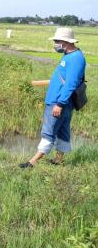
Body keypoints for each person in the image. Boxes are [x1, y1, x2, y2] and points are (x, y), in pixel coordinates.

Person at [19, 27, 86, 168]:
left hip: (59, 102)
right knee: (63, 131)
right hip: (62, 101)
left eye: (57, 41)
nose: (55, 43)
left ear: (66, 42)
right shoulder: (70, 55)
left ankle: (32, 162)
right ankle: (59, 160)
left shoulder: (75, 58)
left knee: (48, 131)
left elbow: (71, 83)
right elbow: (65, 79)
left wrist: (60, 103)